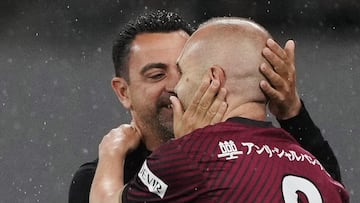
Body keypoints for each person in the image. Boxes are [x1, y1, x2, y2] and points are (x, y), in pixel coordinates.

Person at [69, 10, 341, 203]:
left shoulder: (193, 157)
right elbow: (332, 186)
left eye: (184, 70)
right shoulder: (303, 161)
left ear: (214, 74)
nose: (176, 85)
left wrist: (293, 112)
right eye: (157, 75)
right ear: (123, 91)